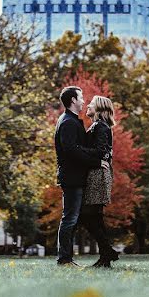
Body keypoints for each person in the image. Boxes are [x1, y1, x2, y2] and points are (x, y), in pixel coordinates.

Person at [54, 86, 102, 266]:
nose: (83, 101)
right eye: (81, 97)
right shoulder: (67, 122)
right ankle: (64, 259)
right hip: (71, 178)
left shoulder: (72, 121)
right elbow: (71, 151)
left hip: (75, 177)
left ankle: (66, 258)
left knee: (72, 218)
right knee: (70, 218)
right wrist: (96, 162)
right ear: (73, 100)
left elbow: (77, 148)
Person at [79, 95, 120, 268]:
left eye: (92, 104)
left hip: (98, 174)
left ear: (100, 109)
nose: (88, 105)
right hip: (96, 172)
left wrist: (77, 148)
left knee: (87, 215)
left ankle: (107, 251)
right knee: (95, 216)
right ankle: (106, 258)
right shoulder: (98, 126)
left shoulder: (101, 127)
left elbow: (100, 151)